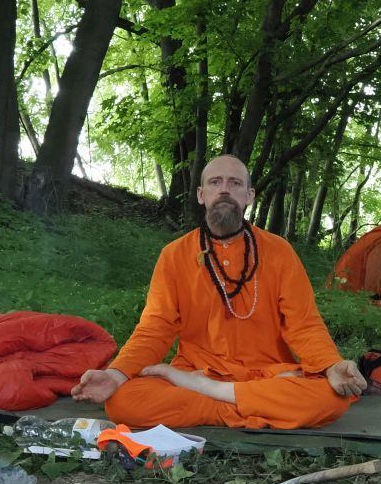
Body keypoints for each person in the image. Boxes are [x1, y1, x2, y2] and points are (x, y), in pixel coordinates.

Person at [72, 155, 366, 428]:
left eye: (235, 183)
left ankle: (211, 395)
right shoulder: (174, 255)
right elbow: (155, 327)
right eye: (215, 182)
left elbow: (303, 323)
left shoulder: (279, 251)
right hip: (198, 370)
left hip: (264, 373)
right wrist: (117, 373)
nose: (224, 189)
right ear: (201, 195)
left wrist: (330, 365)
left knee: (330, 398)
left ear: (248, 196)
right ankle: (250, 406)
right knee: (123, 402)